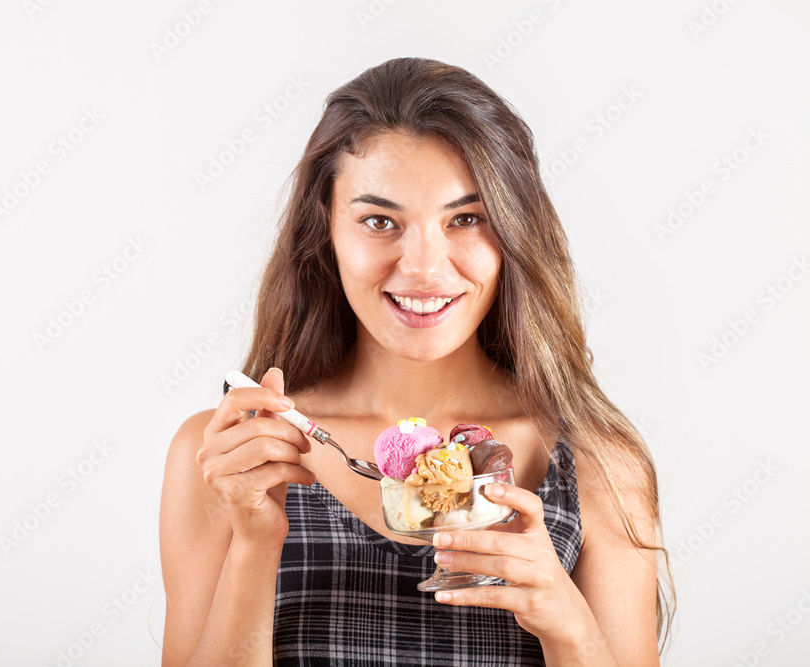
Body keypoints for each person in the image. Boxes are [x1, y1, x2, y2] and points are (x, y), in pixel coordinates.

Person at [160, 57, 674, 666]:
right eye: (379, 221)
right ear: (324, 229)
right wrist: (255, 542)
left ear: (513, 232)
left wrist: (569, 626)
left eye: (466, 219)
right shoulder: (231, 457)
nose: (425, 268)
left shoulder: (600, 463)